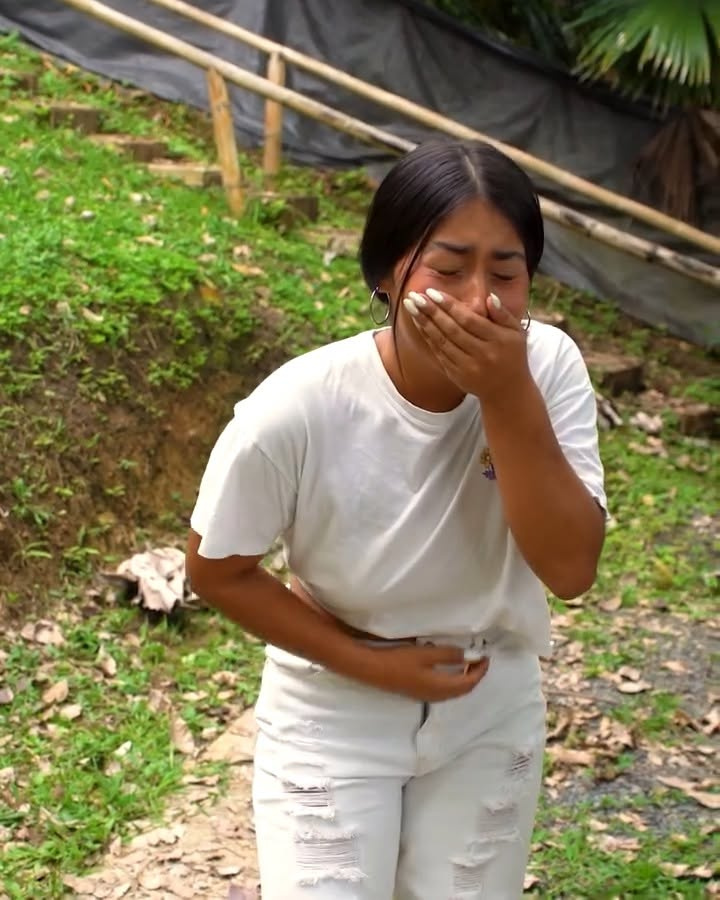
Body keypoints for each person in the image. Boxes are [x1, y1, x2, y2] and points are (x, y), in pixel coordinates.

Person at [186, 139, 606, 899]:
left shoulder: (545, 368)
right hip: (332, 708)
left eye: (505, 273)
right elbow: (217, 568)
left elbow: (571, 568)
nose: (478, 300)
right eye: (448, 268)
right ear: (386, 273)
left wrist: (507, 395)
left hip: (489, 708)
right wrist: (367, 663)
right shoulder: (300, 406)